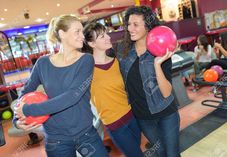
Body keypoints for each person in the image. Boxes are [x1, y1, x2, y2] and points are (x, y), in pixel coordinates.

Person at [13, 14, 108, 157]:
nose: (82, 36)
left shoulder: (86, 60)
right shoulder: (42, 63)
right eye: (77, 31)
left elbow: (72, 96)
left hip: (85, 134)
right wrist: (17, 118)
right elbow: (25, 93)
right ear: (62, 34)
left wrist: (28, 110)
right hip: (56, 139)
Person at [116, 6, 181, 157]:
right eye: (129, 24)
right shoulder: (122, 51)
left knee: (172, 154)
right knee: (160, 152)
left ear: (148, 26)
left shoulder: (161, 49)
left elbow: (166, 93)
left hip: (166, 113)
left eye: (136, 24)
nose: (130, 28)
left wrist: (157, 64)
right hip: (143, 116)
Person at [82, 22, 144, 157]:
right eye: (102, 36)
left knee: (137, 150)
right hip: (114, 124)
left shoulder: (118, 62)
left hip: (132, 116)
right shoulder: (86, 70)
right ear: (92, 44)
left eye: (106, 34)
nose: (108, 37)